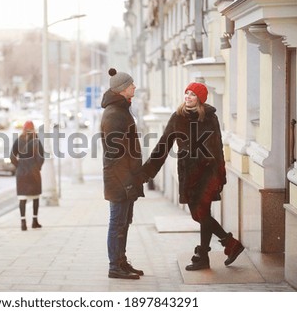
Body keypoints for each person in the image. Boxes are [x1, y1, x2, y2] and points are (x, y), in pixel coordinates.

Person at [141, 82, 244, 271]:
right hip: (189, 174)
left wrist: (220, 175)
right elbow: (163, 146)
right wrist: (147, 172)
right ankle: (228, 243)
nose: (187, 97)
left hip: (208, 173)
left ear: (200, 99)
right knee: (200, 215)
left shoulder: (210, 118)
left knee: (201, 213)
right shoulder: (177, 118)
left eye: (192, 94)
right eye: (186, 93)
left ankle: (206, 254)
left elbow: (218, 147)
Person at [100, 68, 145, 279]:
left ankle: (121, 261)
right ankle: (114, 266)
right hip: (119, 180)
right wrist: (128, 182)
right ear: (122, 89)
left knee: (124, 222)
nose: (134, 87)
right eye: (131, 85)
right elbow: (115, 155)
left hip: (126, 179)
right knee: (117, 222)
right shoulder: (114, 114)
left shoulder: (122, 110)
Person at [10, 120, 44, 231]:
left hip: (21, 173)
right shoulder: (36, 141)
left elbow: (12, 156)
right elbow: (41, 157)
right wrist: (37, 166)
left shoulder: (18, 140)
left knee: (22, 198)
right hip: (33, 172)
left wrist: (18, 165)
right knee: (35, 197)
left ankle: (23, 223)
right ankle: (34, 221)